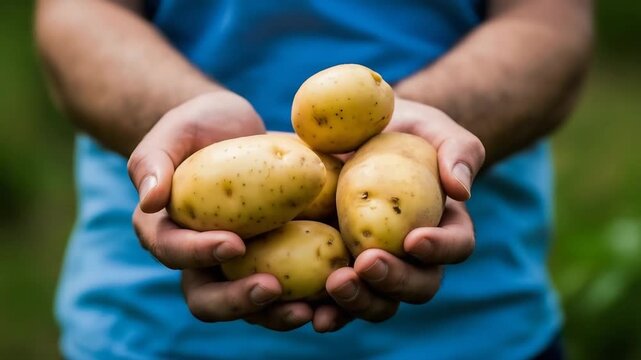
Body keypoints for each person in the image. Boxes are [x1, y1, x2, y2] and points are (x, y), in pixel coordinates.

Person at [35, 0, 592, 359]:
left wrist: (412, 147)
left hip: (478, 332)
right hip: (148, 329)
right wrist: (182, 134)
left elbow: (551, 23)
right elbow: (77, 13)